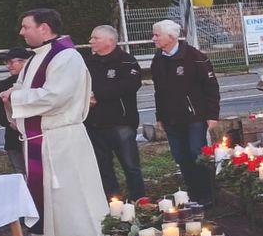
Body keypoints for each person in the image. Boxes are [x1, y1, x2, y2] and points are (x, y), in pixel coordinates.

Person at [0, 8, 113, 236]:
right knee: (51, 201)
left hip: (63, 139)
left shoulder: (66, 57)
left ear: (44, 27)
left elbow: (56, 96)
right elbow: (27, 89)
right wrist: (13, 92)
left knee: (71, 198)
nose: (21, 32)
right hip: (42, 140)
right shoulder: (35, 58)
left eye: (26, 26)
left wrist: (15, 97)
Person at [150, 19, 219, 205]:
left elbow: (211, 87)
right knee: (180, 156)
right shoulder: (158, 59)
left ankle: (207, 193)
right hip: (171, 118)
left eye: (157, 35)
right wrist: (160, 116)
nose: (153, 39)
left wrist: (212, 114)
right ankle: (192, 192)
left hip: (194, 116)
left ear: (171, 37)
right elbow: (159, 91)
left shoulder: (194, 56)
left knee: (196, 153)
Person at [85, 25, 146, 200]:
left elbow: (129, 86)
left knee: (130, 165)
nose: (91, 41)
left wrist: (98, 95)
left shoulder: (127, 62)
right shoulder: (88, 63)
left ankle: (139, 200)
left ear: (110, 41)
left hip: (121, 123)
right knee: (103, 166)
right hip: (95, 123)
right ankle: (114, 202)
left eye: (95, 38)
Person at [0, 48, 33, 174]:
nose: (8, 66)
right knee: (22, 175)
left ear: (25, 62)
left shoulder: (38, 82)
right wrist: (10, 122)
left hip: (37, 137)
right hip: (14, 139)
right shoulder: (4, 85)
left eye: (11, 62)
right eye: (6, 62)